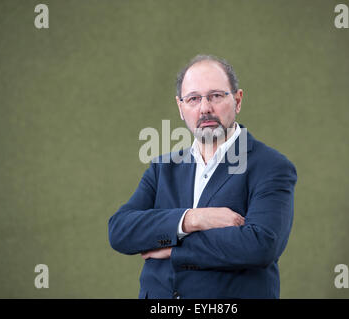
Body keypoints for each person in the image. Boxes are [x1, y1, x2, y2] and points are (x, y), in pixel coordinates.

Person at [108, 54, 297, 299]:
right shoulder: (162, 167)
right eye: (194, 98)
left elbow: (261, 245)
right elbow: (120, 230)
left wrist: (173, 249)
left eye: (216, 96)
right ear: (180, 107)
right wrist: (194, 219)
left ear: (238, 100)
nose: (205, 108)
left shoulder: (271, 166)